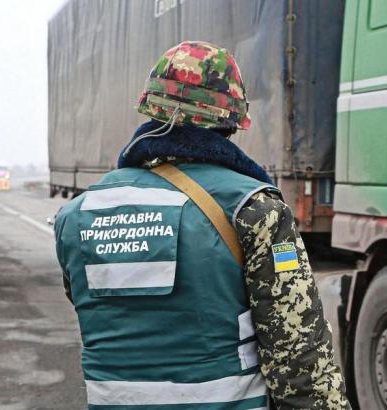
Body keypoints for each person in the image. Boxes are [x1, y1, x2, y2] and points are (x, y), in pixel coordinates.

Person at [54, 41, 350, 409]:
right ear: (229, 121)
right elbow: (298, 352)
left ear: (152, 108)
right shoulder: (255, 209)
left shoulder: (76, 216)